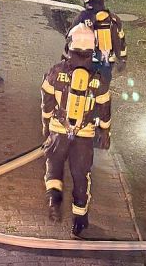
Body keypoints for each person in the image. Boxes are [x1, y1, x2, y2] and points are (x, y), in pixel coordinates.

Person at [41, 24, 112, 237]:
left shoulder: (56, 72)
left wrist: (45, 125)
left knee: (53, 165)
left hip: (58, 130)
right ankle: (79, 220)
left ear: (68, 46)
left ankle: (54, 201)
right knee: (81, 175)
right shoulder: (99, 79)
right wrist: (105, 132)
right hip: (85, 134)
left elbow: (47, 102)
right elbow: (105, 109)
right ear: (93, 51)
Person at [67, 0, 127, 79]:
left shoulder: (82, 17)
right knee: (102, 89)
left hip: (86, 60)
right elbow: (121, 41)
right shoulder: (114, 19)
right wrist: (123, 59)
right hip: (107, 63)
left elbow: (69, 36)